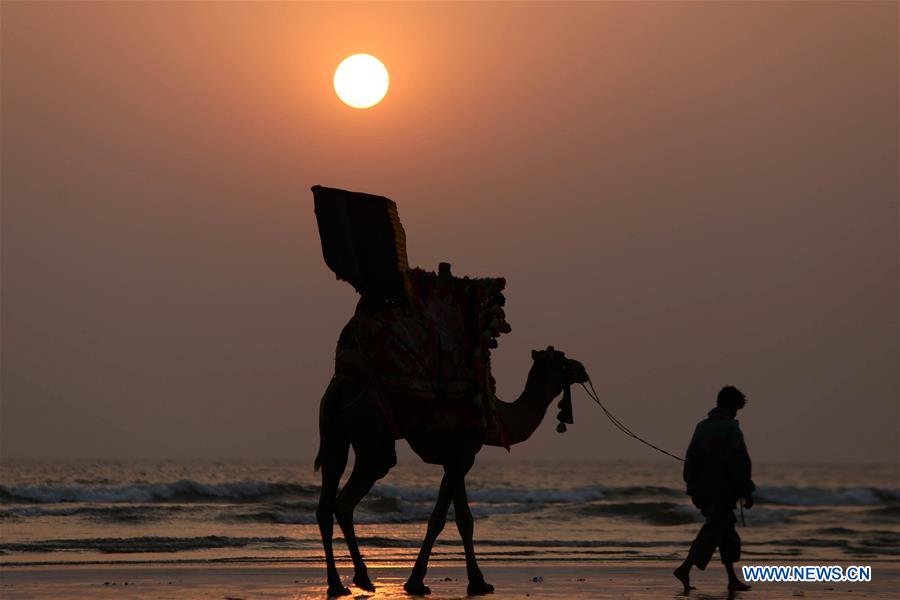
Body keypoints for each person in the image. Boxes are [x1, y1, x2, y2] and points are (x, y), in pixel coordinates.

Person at [674, 385, 755, 593]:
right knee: (713, 531)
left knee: (724, 532)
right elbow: (740, 462)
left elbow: (690, 457)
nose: (737, 413)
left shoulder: (702, 426)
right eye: (737, 409)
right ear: (731, 407)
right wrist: (746, 490)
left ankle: (732, 579)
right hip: (721, 491)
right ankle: (685, 567)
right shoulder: (731, 429)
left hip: (700, 490)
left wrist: (690, 485)